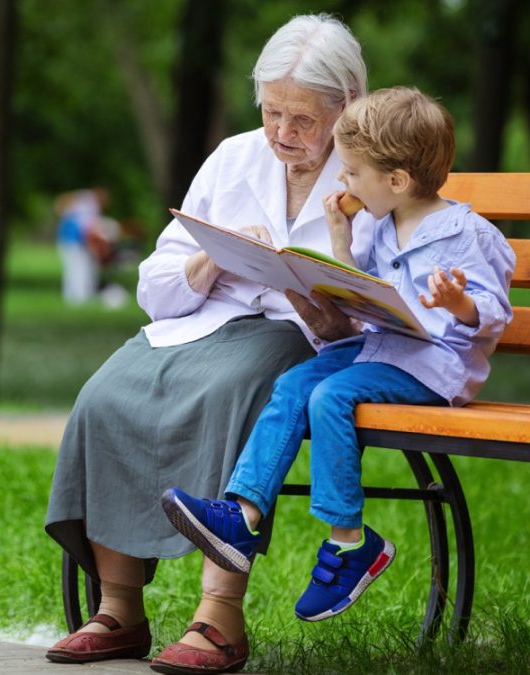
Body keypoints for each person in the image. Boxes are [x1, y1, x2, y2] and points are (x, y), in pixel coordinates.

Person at [45, 14, 376, 674]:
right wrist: (214, 259)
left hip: (296, 339)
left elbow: (383, 312)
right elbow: (156, 285)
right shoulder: (233, 157)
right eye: (272, 112)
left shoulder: (373, 175)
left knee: (236, 390)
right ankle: (118, 607)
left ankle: (219, 615)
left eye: (302, 120)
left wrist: (316, 302)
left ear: (348, 104)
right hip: (201, 323)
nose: (282, 133)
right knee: (105, 395)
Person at [161, 87, 515, 624]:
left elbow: (493, 313)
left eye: (351, 173)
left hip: (433, 367)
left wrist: (458, 303)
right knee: (294, 384)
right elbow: (366, 291)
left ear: (397, 181)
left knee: (330, 396)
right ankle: (242, 514)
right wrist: (339, 242)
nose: (343, 182)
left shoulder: (468, 235)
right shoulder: (385, 222)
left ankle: (350, 541)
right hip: (380, 349)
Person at [55, 187, 112, 305]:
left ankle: (76, 296)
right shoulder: (88, 201)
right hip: (72, 240)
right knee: (77, 269)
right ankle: (78, 298)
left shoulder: (88, 203)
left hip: (74, 240)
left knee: (77, 269)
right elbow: (86, 227)